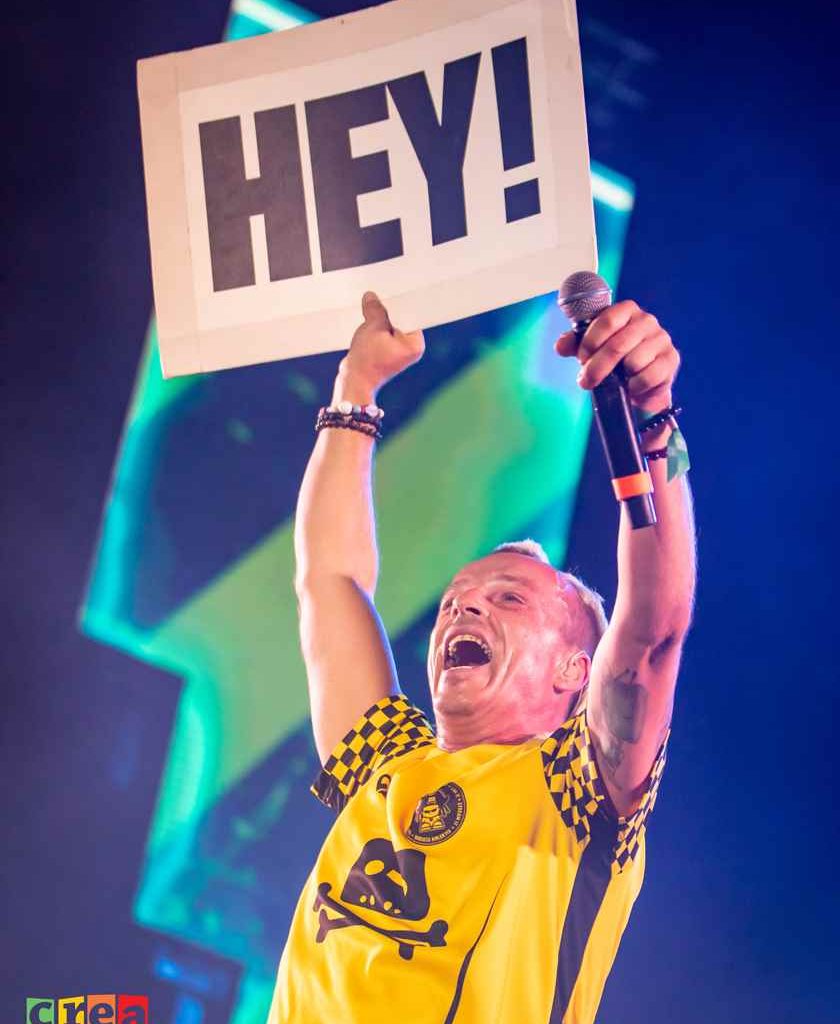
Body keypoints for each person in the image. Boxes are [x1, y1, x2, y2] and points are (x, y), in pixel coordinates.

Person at [266, 291, 696, 1024]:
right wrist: (355, 387)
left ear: (575, 670)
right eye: (455, 600)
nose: (462, 609)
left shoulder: (574, 789)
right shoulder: (385, 762)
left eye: (508, 599)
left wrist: (651, 420)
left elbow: (653, 631)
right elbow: (328, 580)